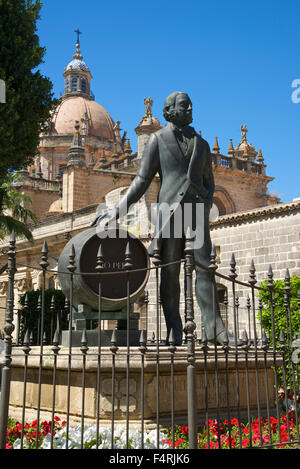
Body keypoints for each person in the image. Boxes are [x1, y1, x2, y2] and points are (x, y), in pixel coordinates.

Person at [92, 91, 239, 346]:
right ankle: (174, 329)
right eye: (184, 105)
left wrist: (204, 207)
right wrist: (117, 211)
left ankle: (216, 331)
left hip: (195, 213)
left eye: (190, 104)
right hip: (168, 213)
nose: (190, 108)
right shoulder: (157, 140)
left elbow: (209, 182)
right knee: (169, 274)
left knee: (205, 270)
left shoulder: (202, 144)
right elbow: (141, 179)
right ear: (169, 111)